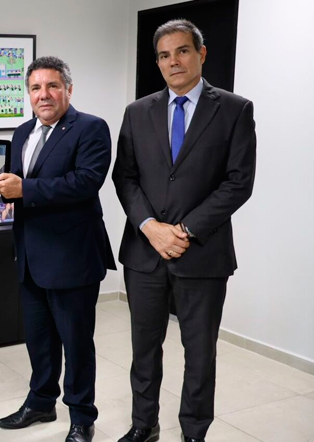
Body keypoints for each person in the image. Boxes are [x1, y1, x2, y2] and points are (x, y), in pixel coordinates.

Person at [112, 19, 256, 442]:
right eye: (164, 55)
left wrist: (186, 230)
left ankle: (194, 432)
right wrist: (150, 227)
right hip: (144, 254)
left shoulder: (233, 109)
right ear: (157, 62)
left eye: (182, 51)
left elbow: (238, 182)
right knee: (144, 349)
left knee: (200, 353)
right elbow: (125, 177)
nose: (173, 61)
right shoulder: (137, 112)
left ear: (201, 53)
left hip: (203, 254)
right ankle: (144, 425)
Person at [0, 56, 115, 442]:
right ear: (28, 94)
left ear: (68, 90)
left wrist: (23, 189)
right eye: (36, 88)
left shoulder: (90, 128)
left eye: (52, 86)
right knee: (39, 340)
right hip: (30, 257)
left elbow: (85, 182)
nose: (44, 94)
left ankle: (81, 416)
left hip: (72, 258)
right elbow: (15, 185)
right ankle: (41, 402)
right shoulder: (22, 132)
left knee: (76, 344)